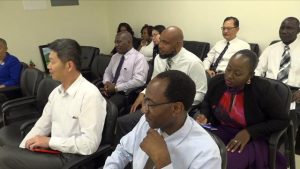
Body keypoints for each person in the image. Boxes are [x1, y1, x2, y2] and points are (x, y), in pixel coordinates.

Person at [0, 39, 107, 169]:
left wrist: (50, 142)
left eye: (52, 61)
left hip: (73, 158)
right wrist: (23, 148)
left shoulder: (90, 95)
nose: (48, 66)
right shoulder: (56, 92)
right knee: (9, 154)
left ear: (69, 66)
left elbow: (89, 145)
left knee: (4, 156)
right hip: (55, 151)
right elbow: (42, 125)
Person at [104, 70, 221, 169]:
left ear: (176, 108)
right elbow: (124, 151)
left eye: (151, 104)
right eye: (145, 100)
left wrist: (163, 162)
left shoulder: (206, 153)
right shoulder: (147, 121)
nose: (144, 110)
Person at [196, 49, 289, 169]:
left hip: (252, 138)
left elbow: (282, 120)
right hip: (221, 130)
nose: (229, 76)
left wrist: (249, 132)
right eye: (228, 69)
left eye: (237, 73)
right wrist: (205, 115)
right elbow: (207, 102)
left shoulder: (262, 90)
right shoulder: (217, 82)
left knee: (225, 164)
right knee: (194, 151)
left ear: (250, 75)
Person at [115, 26, 207, 144]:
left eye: (165, 43)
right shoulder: (160, 58)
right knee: (123, 123)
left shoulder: (193, 63)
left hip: (176, 111)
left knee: (153, 130)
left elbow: (200, 93)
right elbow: (154, 81)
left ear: (178, 44)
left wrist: (175, 107)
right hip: (155, 106)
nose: (160, 45)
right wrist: (144, 95)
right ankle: (130, 158)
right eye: (161, 40)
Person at [255, 16, 300, 154]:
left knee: (289, 117)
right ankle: (259, 148)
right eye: (282, 27)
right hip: (270, 89)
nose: (284, 31)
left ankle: (282, 154)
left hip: (294, 93)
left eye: (289, 28)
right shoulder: (271, 48)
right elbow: (257, 69)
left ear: (298, 30)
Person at [103, 31, 149, 112]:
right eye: (115, 42)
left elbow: (139, 81)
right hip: (110, 89)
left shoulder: (139, 58)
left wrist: (116, 88)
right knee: (92, 102)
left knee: (105, 109)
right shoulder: (115, 56)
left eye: (119, 42)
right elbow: (108, 72)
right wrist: (106, 82)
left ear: (129, 42)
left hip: (124, 93)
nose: (116, 45)